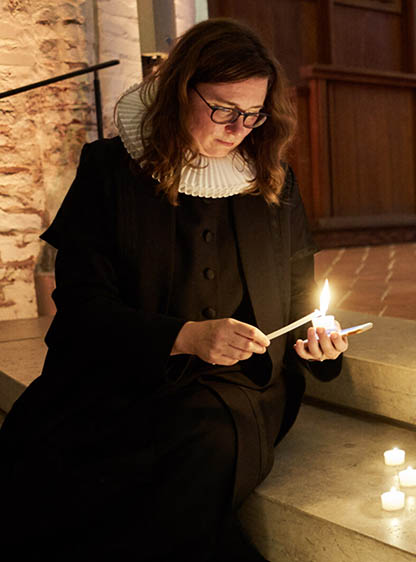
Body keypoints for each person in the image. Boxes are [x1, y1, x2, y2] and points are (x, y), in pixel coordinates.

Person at [0, 19, 346, 561]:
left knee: (198, 438)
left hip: (238, 388)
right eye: (225, 109)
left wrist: (318, 342)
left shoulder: (272, 178)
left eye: (254, 114)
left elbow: (302, 292)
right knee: (44, 449)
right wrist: (182, 336)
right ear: (180, 89)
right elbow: (81, 309)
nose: (240, 128)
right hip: (123, 373)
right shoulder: (109, 171)